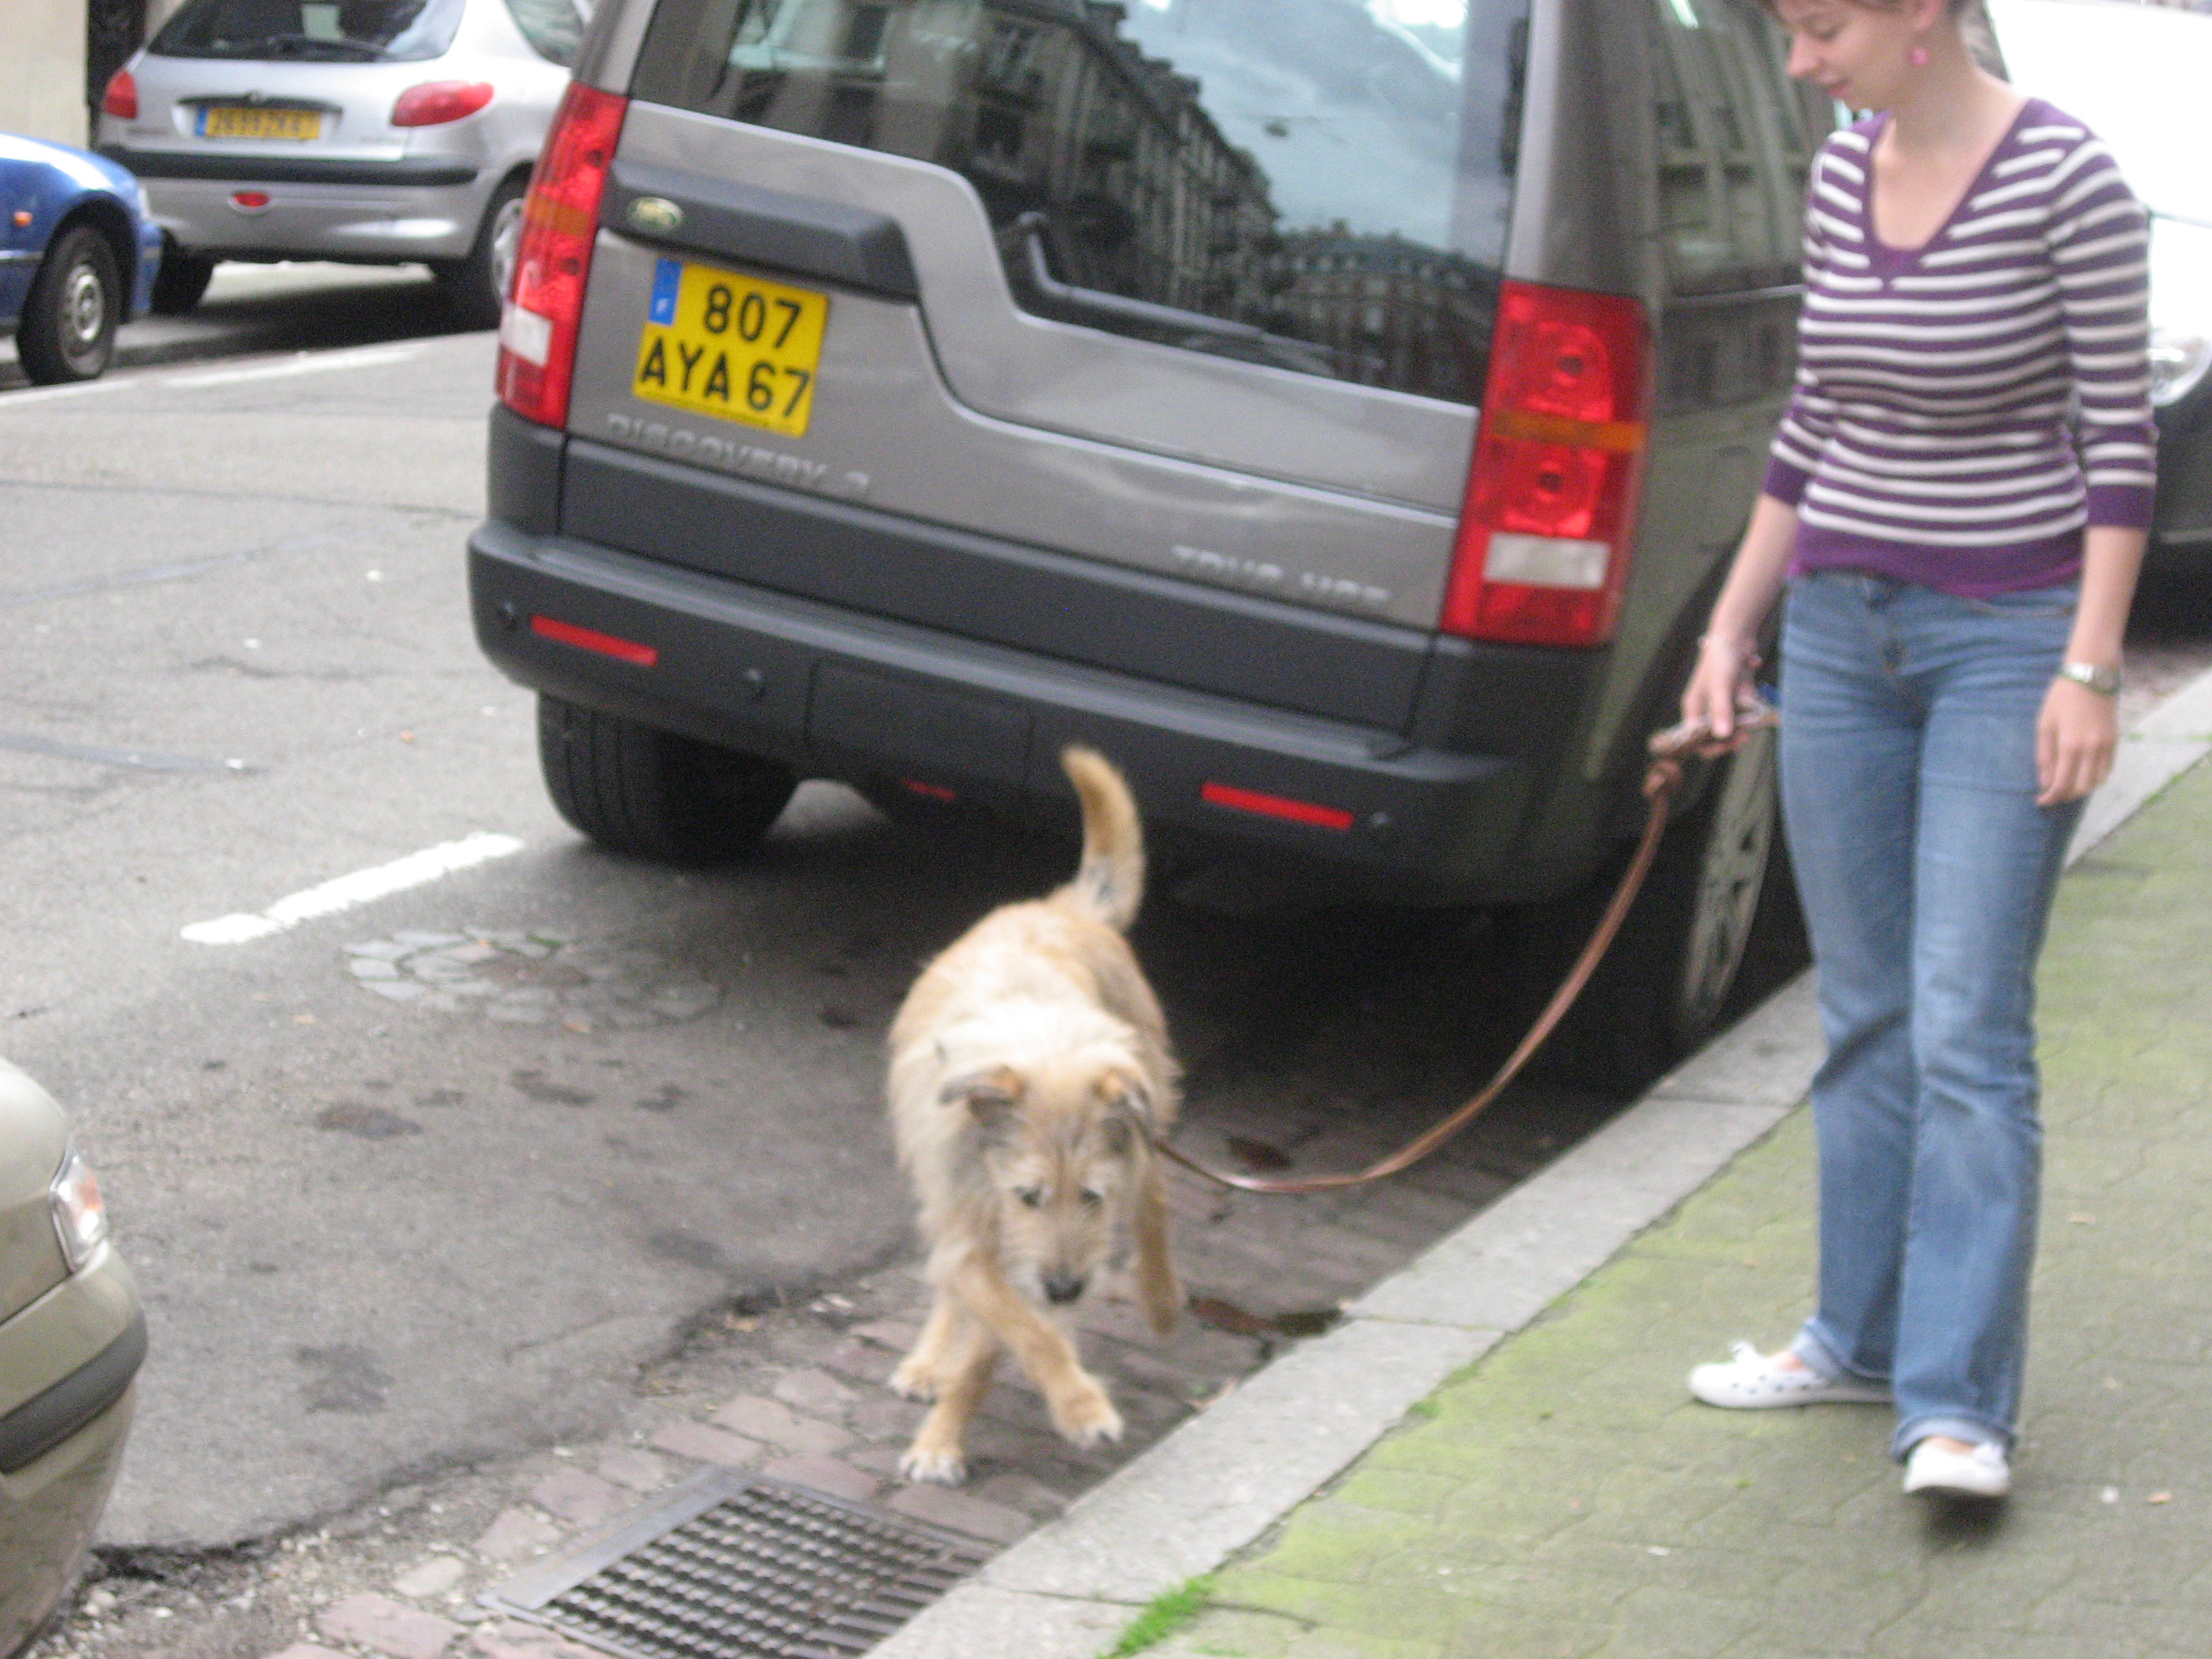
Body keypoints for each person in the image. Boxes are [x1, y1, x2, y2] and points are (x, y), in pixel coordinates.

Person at [1679, 0, 2155, 1501]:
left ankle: (1957, 1411)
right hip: (1838, 637)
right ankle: (1854, 1339)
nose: (1801, 63)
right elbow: (1811, 419)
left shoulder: (2069, 178)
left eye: (1823, 28)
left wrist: (2090, 668)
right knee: (1868, 1008)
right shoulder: (1841, 171)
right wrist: (1730, 629)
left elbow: (2122, 442)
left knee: (1967, 1026)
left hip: (2006, 644)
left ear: (1924, 15)